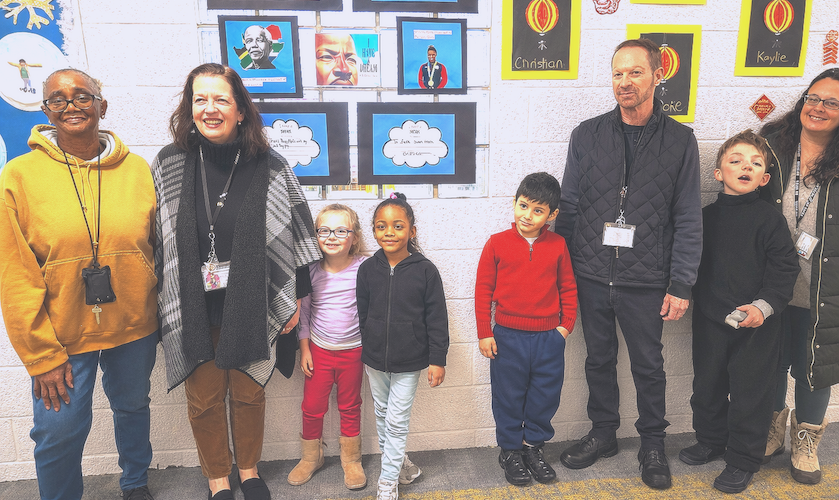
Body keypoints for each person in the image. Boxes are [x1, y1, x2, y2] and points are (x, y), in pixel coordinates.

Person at [152, 63, 321, 500]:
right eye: (200, 99)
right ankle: (217, 477)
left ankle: (248, 469)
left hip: (252, 300)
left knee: (249, 392)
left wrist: (295, 299)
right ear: (189, 108)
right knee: (204, 397)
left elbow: (295, 235)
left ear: (241, 109)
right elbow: (159, 240)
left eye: (221, 99)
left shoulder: (269, 164)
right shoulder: (170, 163)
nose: (210, 108)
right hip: (194, 302)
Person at [0, 69, 157, 500]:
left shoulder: (139, 170)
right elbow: (14, 273)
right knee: (58, 429)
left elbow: (159, 246)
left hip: (134, 322)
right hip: (61, 330)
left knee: (132, 407)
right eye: (58, 99)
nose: (71, 105)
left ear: (101, 106)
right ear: (46, 111)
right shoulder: (18, 176)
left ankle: (135, 483)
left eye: (82, 96)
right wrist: (39, 354)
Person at [554, 38, 702, 490]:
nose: (624, 82)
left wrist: (681, 284)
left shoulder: (680, 141)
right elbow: (570, 206)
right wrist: (557, 273)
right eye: (618, 73)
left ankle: (653, 443)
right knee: (598, 360)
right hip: (591, 274)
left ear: (658, 76)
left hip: (647, 279)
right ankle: (603, 434)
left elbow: (687, 217)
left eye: (635, 72)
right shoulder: (588, 134)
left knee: (648, 365)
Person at [679, 130, 798, 493]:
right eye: (735, 160)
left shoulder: (770, 219)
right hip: (711, 321)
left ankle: (743, 459)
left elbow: (784, 268)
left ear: (764, 179)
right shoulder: (703, 218)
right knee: (707, 385)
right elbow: (689, 263)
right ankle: (711, 439)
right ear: (718, 173)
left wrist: (763, 307)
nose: (745, 166)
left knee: (750, 394)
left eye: (755, 163)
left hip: (757, 325)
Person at [760, 67, 839, 485]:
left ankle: (806, 441)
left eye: (831, 102)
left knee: (816, 365)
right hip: (769, 282)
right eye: (813, 97)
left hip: (823, 286)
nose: (818, 107)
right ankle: (771, 431)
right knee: (769, 362)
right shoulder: (771, 145)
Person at [475, 172, 577, 486]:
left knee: (544, 398)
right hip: (506, 338)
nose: (527, 216)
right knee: (507, 398)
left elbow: (569, 290)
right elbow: (482, 290)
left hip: (548, 340)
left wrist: (563, 329)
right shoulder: (497, 244)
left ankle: (533, 448)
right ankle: (510, 451)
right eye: (523, 206)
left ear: (552, 215)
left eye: (537, 210)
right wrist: (484, 332)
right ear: (515, 203)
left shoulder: (558, 245)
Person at [356, 193, 449, 500]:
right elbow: (363, 312)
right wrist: (368, 343)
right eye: (382, 226)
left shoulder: (425, 271)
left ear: (412, 230)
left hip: (411, 360)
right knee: (382, 414)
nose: (389, 232)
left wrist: (438, 359)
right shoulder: (367, 269)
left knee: (396, 421)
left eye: (398, 226)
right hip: (375, 359)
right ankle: (402, 465)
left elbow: (437, 318)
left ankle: (387, 481)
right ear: (373, 230)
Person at [288, 204, 368, 490]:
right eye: (324, 230)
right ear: (315, 236)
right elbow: (304, 313)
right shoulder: (310, 272)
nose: (331, 237)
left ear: (354, 237)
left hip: (354, 352)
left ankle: (351, 460)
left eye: (341, 230)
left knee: (350, 405)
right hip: (319, 351)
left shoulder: (365, 268)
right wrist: (305, 349)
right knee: (312, 407)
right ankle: (311, 457)